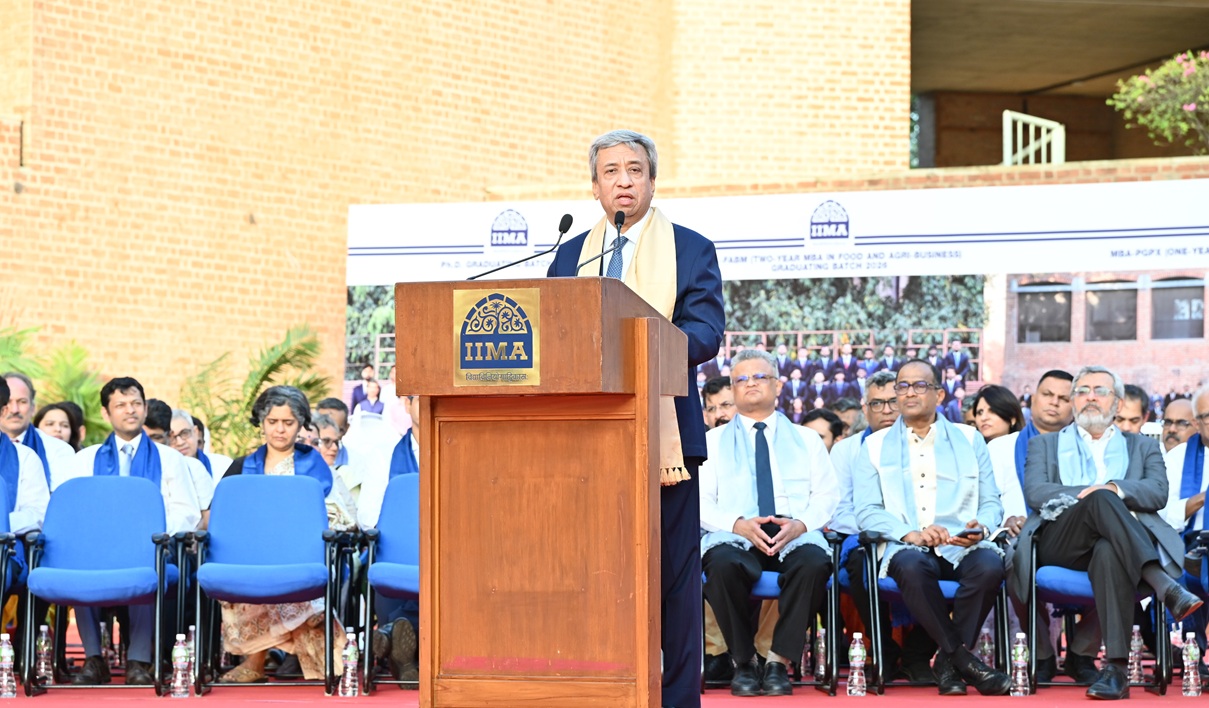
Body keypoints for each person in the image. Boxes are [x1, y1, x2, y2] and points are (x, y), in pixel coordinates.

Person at [547, 129, 724, 708]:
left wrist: (641, 343)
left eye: (634, 170)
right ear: (594, 186)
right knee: (592, 571)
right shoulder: (571, 254)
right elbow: (551, 329)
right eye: (611, 172)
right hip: (586, 436)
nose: (623, 181)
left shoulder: (691, 249)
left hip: (666, 432)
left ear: (652, 180)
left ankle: (676, 698)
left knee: (673, 576)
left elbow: (706, 333)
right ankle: (598, 687)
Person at [1012, 366, 1202, 700]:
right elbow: (1037, 493)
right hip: (1061, 541)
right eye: (1082, 391)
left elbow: (1157, 492)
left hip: (1119, 546)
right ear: (1073, 400)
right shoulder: (1045, 444)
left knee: (1108, 549)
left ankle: (1115, 670)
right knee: (1101, 499)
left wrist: (1114, 488)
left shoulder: (1142, 446)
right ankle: (1161, 582)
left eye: (1100, 391)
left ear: (1117, 402)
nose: (1090, 398)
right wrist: (1096, 494)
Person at [853, 360, 1010, 696]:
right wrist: (909, 533)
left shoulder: (970, 438)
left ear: (939, 394)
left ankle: (948, 664)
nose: (909, 392)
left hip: (960, 544)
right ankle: (962, 660)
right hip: (907, 545)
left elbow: (991, 502)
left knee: (989, 566)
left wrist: (980, 527)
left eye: (919, 385)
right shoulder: (875, 446)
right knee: (911, 565)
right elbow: (866, 511)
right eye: (903, 386)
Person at [699, 350, 837, 697]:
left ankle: (777, 661)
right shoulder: (711, 442)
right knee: (721, 564)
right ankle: (744, 661)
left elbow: (826, 496)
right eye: (741, 379)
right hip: (737, 532)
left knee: (815, 562)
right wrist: (737, 524)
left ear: (778, 385)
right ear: (733, 389)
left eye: (760, 377)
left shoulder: (806, 439)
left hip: (793, 533)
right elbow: (700, 501)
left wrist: (801, 524)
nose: (751, 384)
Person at [64, 377, 201, 686]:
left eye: (136, 403)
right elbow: (73, 511)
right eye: (121, 405)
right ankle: (93, 659)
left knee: (145, 560)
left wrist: (152, 533)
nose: (130, 410)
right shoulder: (86, 460)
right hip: (98, 549)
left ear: (145, 408)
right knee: (79, 562)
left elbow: (187, 511)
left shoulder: (169, 458)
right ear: (106, 413)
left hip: (151, 546)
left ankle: (139, 660)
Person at [216, 386, 356, 683]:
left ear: (301, 424)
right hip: (251, 555)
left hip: (300, 555)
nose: (280, 430)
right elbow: (225, 517)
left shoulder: (315, 467)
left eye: (288, 423)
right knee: (243, 572)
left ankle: (313, 658)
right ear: (261, 422)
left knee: (300, 580)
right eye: (273, 422)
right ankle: (255, 661)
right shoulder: (242, 467)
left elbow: (339, 516)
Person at [1163, 386, 1209, 667]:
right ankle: (1192, 654)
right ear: (1197, 422)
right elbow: (1164, 516)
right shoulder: (1177, 457)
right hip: (1192, 545)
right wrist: (1204, 498)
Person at [2, 371, 76, 489]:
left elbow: (63, 495)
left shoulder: (58, 450)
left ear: (33, 408)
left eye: (22, 402)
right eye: (8, 402)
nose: (14, 410)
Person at [170, 410, 234, 480]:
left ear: (196, 432)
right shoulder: (164, 473)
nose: (180, 442)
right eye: (172, 438)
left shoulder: (223, 465)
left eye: (185, 433)